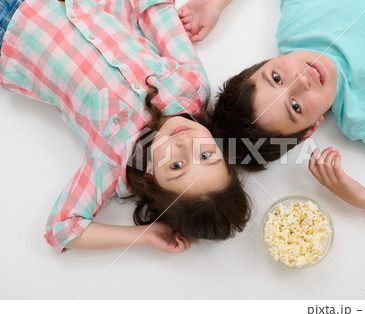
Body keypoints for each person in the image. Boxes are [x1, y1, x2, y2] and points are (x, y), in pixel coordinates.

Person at [0, 0, 251, 253]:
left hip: (9, 33)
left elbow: (62, 229)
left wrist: (142, 235)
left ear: (151, 174)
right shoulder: (192, 85)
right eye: (206, 155)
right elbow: (156, 10)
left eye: (177, 166)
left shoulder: (112, 164)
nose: (186, 144)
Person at [178, 0, 365, 211]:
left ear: (262, 62)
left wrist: (217, 4)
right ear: (311, 129)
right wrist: (364, 198)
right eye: (295, 107)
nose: (300, 80)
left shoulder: (297, 24)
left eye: (276, 77)